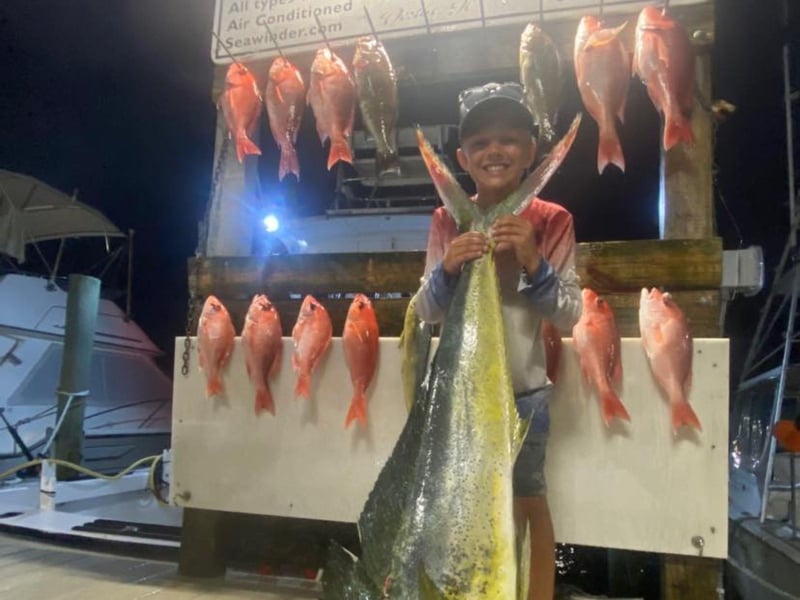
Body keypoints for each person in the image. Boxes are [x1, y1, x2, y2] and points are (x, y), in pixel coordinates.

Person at [413, 82, 582, 600]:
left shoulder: (552, 220)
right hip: (456, 401)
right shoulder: (447, 219)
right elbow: (425, 311)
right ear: (463, 158)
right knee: (455, 503)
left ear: (531, 152)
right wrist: (446, 268)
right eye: (481, 143)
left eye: (508, 140)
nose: (495, 151)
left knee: (528, 502)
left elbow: (571, 315)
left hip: (524, 395)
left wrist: (533, 261)